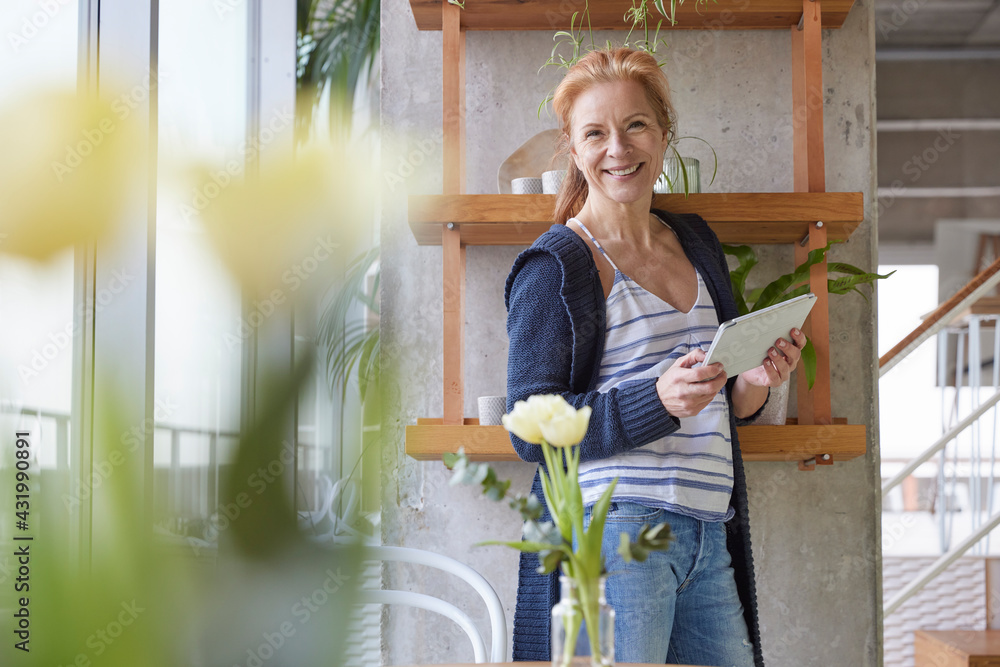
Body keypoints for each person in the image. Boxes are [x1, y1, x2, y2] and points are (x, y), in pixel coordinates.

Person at [504, 48, 805, 666]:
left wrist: (753, 380)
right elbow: (529, 428)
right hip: (616, 533)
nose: (618, 148)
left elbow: (726, 403)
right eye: (595, 132)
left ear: (663, 133)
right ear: (572, 146)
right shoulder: (558, 264)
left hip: (706, 531)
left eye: (636, 124)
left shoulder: (695, 241)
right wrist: (657, 401)